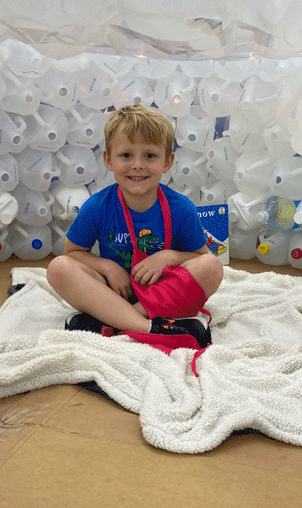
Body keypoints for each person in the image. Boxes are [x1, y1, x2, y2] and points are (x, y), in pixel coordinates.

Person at [46, 104, 224, 347]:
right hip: (112, 292)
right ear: (108, 160)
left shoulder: (181, 208)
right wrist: (107, 267)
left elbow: (199, 257)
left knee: (212, 267)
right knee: (58, 268)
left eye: (150, 155)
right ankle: (152, 328)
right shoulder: (97, 206)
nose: (138, 165)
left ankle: (111, 321)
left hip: (160, 294)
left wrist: (167, 257)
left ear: (168, 162)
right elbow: (73, 254)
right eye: (126, 155)